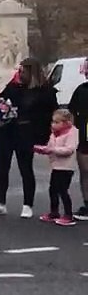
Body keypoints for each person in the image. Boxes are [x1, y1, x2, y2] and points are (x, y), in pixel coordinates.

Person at [0, 58, 58, 218]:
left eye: (23, 71)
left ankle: (27, 204)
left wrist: (43, 133)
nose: (20, 73)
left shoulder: (44, 91)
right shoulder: (14, 86)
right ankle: (0, 203)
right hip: (6, 131)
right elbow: (2, 100)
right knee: (2, 167)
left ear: (31, 72)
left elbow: (50, 114)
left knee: (26, 168)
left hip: (27, 133)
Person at [33, 109, 78, 226]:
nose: (53, 124)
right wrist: (43, 149)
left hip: (66, 167)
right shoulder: (54, 133)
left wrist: (53, 150)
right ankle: (54, 212)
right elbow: (50, 146)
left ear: (66, 122)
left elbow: (69, 150)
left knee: (63, 190)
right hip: (56, 166)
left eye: (57, 122)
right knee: (53, 189)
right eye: (53, 122)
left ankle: (68, 215)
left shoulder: (72, 133)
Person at [69, 59, 88, 220]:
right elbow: (72, 113)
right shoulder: (81, 90)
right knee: (85, 171)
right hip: (84, 134)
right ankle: (87, 204)